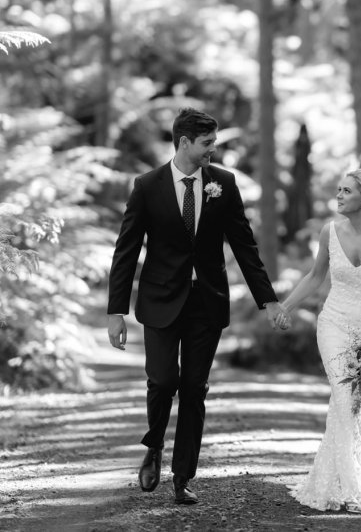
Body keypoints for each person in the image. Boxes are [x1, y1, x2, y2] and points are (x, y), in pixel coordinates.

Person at [106, 107, 288, 506]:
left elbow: (245, 246)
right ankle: (154, 445)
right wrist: (115, 310)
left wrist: (268, 300)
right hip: (159, 301)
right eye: (207, 144)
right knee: (162, 381)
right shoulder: (147, 186)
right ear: (184, 142)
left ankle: (182, 476)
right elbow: (126, 251)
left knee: (193, 388)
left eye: (214, 143)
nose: (213, 150)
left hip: (206, 302)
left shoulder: (223, 183)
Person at [277, 168, 361, 513]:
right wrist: (285, 306)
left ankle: (332, 480)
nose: (339, 195)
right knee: (344, 392)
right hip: (334, 324)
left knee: (355, 405)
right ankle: (354, 489)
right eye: (339, 189)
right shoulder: (328, 232)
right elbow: (316, 276)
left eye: (346, 191)